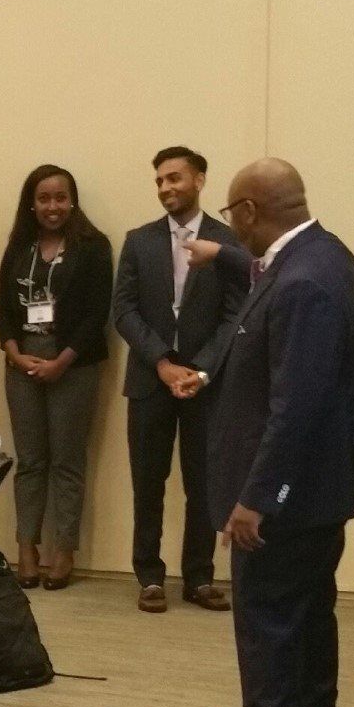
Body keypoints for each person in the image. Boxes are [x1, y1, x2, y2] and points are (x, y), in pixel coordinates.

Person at [181, 158, 354, 707]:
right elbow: (266, 277)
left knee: (268, 634)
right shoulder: (326, 258)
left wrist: (255, 498)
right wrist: (222, 259)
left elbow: (295, 405)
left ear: (246, 211)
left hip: (287, 499)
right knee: (306, 627)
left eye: (230, 213)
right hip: (323, 491)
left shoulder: (301, 283)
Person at [112, 147, 244, 613]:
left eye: (175, 178)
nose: (166, 187)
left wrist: (201, 370)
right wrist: (163, 363)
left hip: (205, 386)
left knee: (204, 482)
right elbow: (123, 311)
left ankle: (199, 578)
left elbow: (235, 315)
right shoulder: (138, 240)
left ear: (200, 180)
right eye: (160, 181)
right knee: (148, 481)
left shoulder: (228, 243)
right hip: (150, 381)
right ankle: (149, 576)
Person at [0, 164, 112, 591]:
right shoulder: (19, 245)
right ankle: (27, 548)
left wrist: (60, 362)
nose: (53, 207)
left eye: (60, 198)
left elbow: (97, 314)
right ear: (32, 203)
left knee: (67, 461)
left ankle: (64, 549)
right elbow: (3, 310)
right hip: (22, 363)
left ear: (72, 200)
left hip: (73, 365)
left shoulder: (93, 247)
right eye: (44, 199)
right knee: (30, 461)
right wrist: (14, 353)